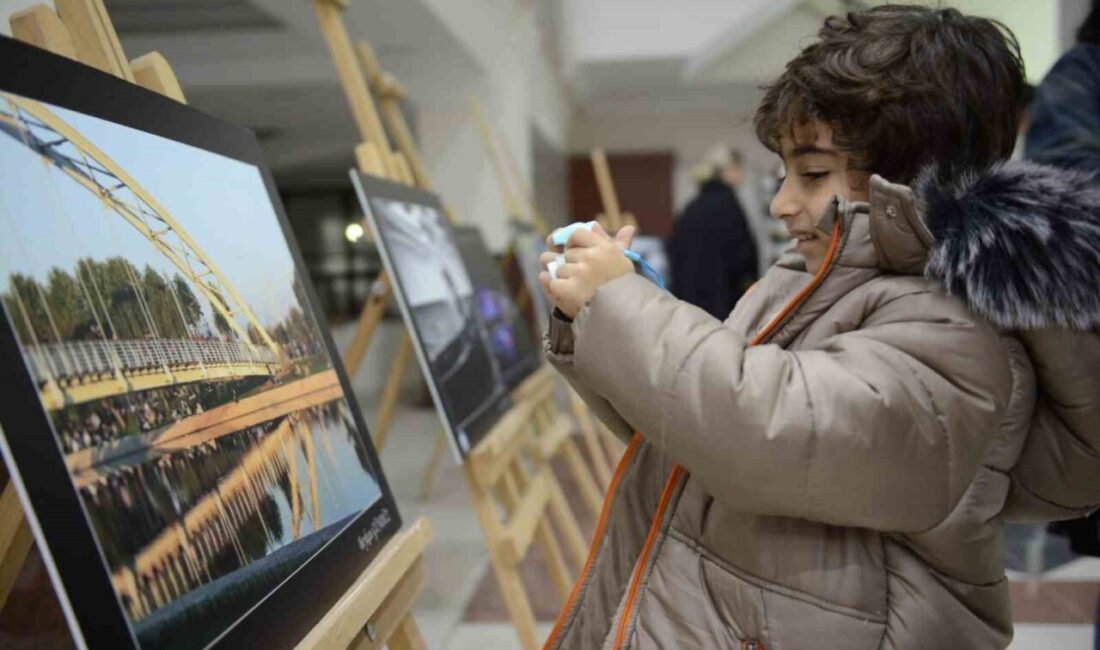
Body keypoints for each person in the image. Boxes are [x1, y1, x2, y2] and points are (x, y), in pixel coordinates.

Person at [538, 6, 1100, 649]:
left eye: (811, 174)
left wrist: (622, 308)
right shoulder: (804, 276)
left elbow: (763, 427)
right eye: (785, 173)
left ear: (915, 176)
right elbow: (684, 430)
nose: (781, 203)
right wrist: (603, 314)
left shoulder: (959, 329)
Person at [667, 146, 759, 318]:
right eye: (738, 168)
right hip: (724, 301)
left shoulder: (691, 206)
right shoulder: (729, 204)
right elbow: (742, 255)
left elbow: (674, 251)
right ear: (726, 171)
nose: (741, 175)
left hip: (689, 304)